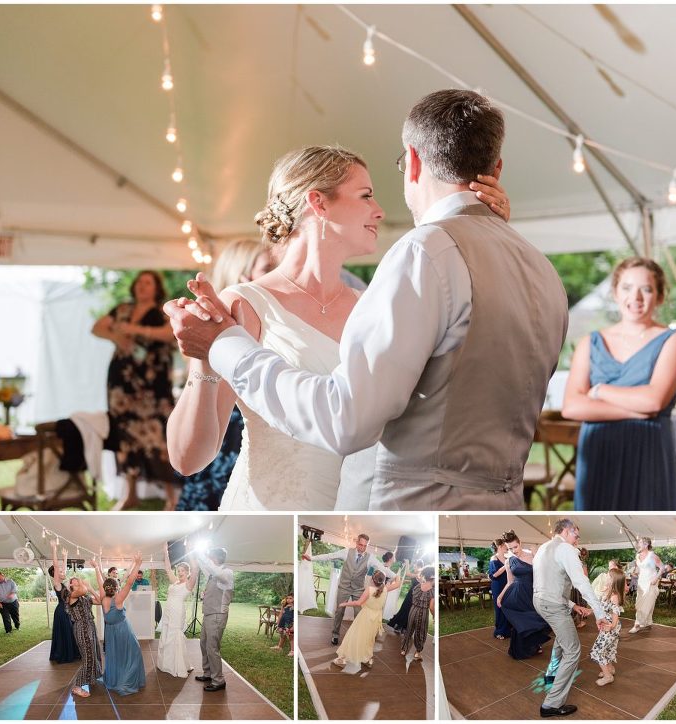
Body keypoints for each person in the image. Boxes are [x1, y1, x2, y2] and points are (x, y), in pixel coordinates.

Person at [165, 88, 567, 512]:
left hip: (364, 511)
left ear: (414, 161)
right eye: (365, 196)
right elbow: (189, 459)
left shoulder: (377, 298)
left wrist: (479, 238)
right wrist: (205, 357)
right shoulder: (244, 305)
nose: (380, 210)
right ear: (318, 203)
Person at [562, 257, 676, 510]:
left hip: (648, 452)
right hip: (598, 453)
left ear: (660, 296)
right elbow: (572, 406)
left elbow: (653, 400)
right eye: (627, 287)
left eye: (647, 289)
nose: (636, 297)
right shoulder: (591, 342)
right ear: (615, 293)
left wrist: (599, 390)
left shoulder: (674, 340)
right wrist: (637, 410)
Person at [174, 239, 274, 511]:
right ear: (242, 276)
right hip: (226, 434)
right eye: (267, 268)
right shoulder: (217, 327)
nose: (276, 274)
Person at [92, 270, 177, 510]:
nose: (142, 286)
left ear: (157, 288)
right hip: (122, 382)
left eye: (148, 282)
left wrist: (135, 330)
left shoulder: (163, 311)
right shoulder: (122, 309)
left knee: (159, 436)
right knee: (124, 435)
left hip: (153, 384)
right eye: (139, 282)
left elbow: (170, 334)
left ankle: (171, 496)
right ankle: (130, 494)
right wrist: (116, 337)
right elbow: (97, 327)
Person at [532, 519, 607, 719]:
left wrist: (574, 606)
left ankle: (551, 675)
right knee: (573, 650)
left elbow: (548, 583)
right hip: (553, 605)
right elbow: (581, 582)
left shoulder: (543, 547)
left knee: (562, 639)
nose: (577, 540)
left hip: (540, 601)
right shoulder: (565, 549)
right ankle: (551, 704)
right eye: (576, 535)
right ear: (565, 531)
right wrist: (599, 612)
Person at [301, 533, 394, 645]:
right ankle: (335, 634)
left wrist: (395, 577)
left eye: (365, 546)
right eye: (360, 545)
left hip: (358, 589)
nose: (362, 548)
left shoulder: (370, 558)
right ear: (357, 542)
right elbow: (330, 556)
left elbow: (382, 568)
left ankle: (358, 637)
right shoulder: (346, 552)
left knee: (359, 613)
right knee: (339, 611)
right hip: (344, 587)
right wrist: (311, 558)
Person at [91, 553, 146, 695]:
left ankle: (115, 678)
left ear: (106, 588)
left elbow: (99, 582)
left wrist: (96, 567)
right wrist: (138, 564)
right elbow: (130, 582)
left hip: (110, 631)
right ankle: (125, 680)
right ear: (116, 588)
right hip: (122, 630)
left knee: (115, 655)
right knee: (133, 653)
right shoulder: (119, 599)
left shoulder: (103, 598)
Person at [333, 569, 405, 668]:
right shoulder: (385, 589)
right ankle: (367, 658)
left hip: (366, 616)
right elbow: (398, 583)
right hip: (376, 618)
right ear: (383, 580)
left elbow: (358, 603)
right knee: (369, 638)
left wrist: (344, 604)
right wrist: (397, 574)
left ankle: (343, 659)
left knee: (355, 636)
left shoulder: (369, 590)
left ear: (372, 579)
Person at [496, 530, 551, 660]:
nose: (513, 550)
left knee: (536, 617)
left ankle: (535, 644)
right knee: (520, 622)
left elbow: (544, 573)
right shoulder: (509, 561)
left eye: (515, 547)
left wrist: (536, 554)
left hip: (532, 592)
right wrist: (500, 596)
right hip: (517, 594)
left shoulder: (533, 555)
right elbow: (510, 582)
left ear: (520, 543)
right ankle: (523, 649)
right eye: (510, 548)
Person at [193, 547, 234, 692]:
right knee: (204, 644)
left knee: (212, 647)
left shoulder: (226, 573)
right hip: (209, 613)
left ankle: (218, 680)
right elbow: (206, 567)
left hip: (217, 615)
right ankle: (208, 673)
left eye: (210, 558)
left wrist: (202, 553)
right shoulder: (212, 574)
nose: (208, 561)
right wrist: (195, 552)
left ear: (215, 558)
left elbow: (213, 570)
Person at [157, 544, 199, 676]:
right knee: (166, 634)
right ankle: (166, 664)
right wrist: (166, 553)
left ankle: (177, 666)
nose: (180, 573)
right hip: (168, 611)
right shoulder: (175, 581)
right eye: (179, 571)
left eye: (183, 571)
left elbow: (195, 568)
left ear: (188, 572)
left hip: (177, 612)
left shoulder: (189, 584)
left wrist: (189, 552)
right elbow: (168, 568)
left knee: (174, 635)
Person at [64, 575, 103, 698]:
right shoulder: (71, 596)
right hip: (82, 628)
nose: (77, 581)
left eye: (78, 580)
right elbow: (82, 590)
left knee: (94, 653)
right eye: (74, 580)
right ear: (70, 585)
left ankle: (93, 677)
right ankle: (77, 686)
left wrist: (91, 589)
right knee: (88, 656)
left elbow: (100, 601)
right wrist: (83, 584)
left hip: (90, 626)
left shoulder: (85, 597)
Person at [590, 568, 625, 687]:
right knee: (608, 649)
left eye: (609, 576)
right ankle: (610, 669)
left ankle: (608, 676)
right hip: (607, 625)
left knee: (597, 651)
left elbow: (615, 613)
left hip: (610, 627)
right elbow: (602, 607)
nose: (606, 577)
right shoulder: (608, 591)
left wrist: (612, 626)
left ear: (614, 581)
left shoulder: (614, 596)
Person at [48, 540, 80, 663]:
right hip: (62, 611)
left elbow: (62, 569)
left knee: (70, 631)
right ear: (55, 574)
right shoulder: (57, 583)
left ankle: (71, 653)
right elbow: (56, 567)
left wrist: (65, 557)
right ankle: (65, 654)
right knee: (65, 632)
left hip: (67, 610)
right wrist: (54, 549)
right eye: (60, 572)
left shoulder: (62, 583)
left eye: (62, 571)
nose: (63, 572)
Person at [629, 537, 665, 634]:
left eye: (640, 543)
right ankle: (648, 622)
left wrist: (656, 578)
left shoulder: (652, 556)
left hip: (651, 582)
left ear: (646, 545)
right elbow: (640, 568)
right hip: (641, 583)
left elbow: (662, 567)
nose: (638, 545)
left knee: (647, 604)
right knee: (641, 604)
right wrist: (635, 572)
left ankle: (637, 625)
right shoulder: (637, 556)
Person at [400, 565, 435, 662]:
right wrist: (434, 615)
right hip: (423, 612)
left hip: (413, 610)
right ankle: (417, 653)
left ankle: (403, 650)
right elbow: (431, 607)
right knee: (421, 632)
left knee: (409, 629)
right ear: (433, 578)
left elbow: (413, 599)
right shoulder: (433, 591)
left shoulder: (417, 587)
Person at [387, 559, 424, 634]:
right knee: (405, 609)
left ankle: (401, 627)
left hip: (414, 595)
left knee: (407, 610)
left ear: (418, 565)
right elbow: (414, 581)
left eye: (415, 565)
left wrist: (407, 563)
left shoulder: (420, 572)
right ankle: (403, 627)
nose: (414, 567)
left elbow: (407, 573)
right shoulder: (418, 573)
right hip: (411, 594)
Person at [489, 539, 511, 640]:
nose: (507, 547)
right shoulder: (494, 558)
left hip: (508, 584)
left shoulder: (507, 558)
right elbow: (494, 574)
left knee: (508, 607)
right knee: (500, 607)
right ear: (500, 546)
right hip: (498, 586)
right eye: (505, 545)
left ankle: (508, 629)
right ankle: (499, 631)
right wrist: (505, 566)